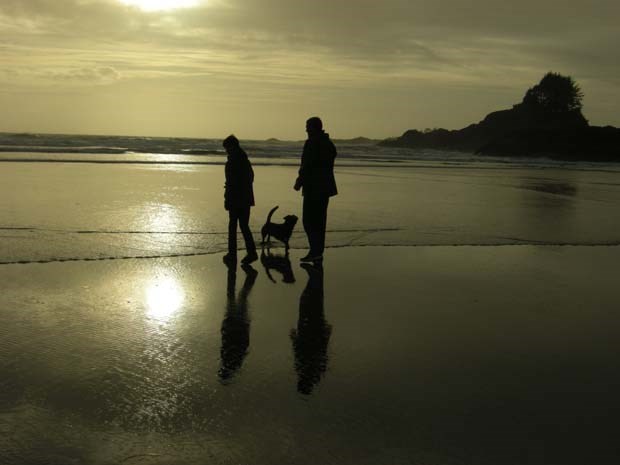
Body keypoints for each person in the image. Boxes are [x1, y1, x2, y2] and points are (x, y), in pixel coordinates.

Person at [293, 117, 338, 262]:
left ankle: (315, 251)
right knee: (319, 221)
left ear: (314, 128)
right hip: (325, 188)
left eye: (308, 127)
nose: (306, 129)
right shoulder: (328, 143)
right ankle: (317, 251)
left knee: (309, 220)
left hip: (314, 188)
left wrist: (299, 182)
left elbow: (307, 165)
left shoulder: (312, 143)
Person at [223, 135, 258, 265]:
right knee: (244, 225)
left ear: (232, 146)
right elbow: (251, 177)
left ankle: (232, 255)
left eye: (227, 148)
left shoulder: (233, 161)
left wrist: (227, 198)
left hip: (236, 198)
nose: (226, 151)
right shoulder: (244, 159)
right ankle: (251, 252)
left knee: (233, 226)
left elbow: (231, 182)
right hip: (246, 197)